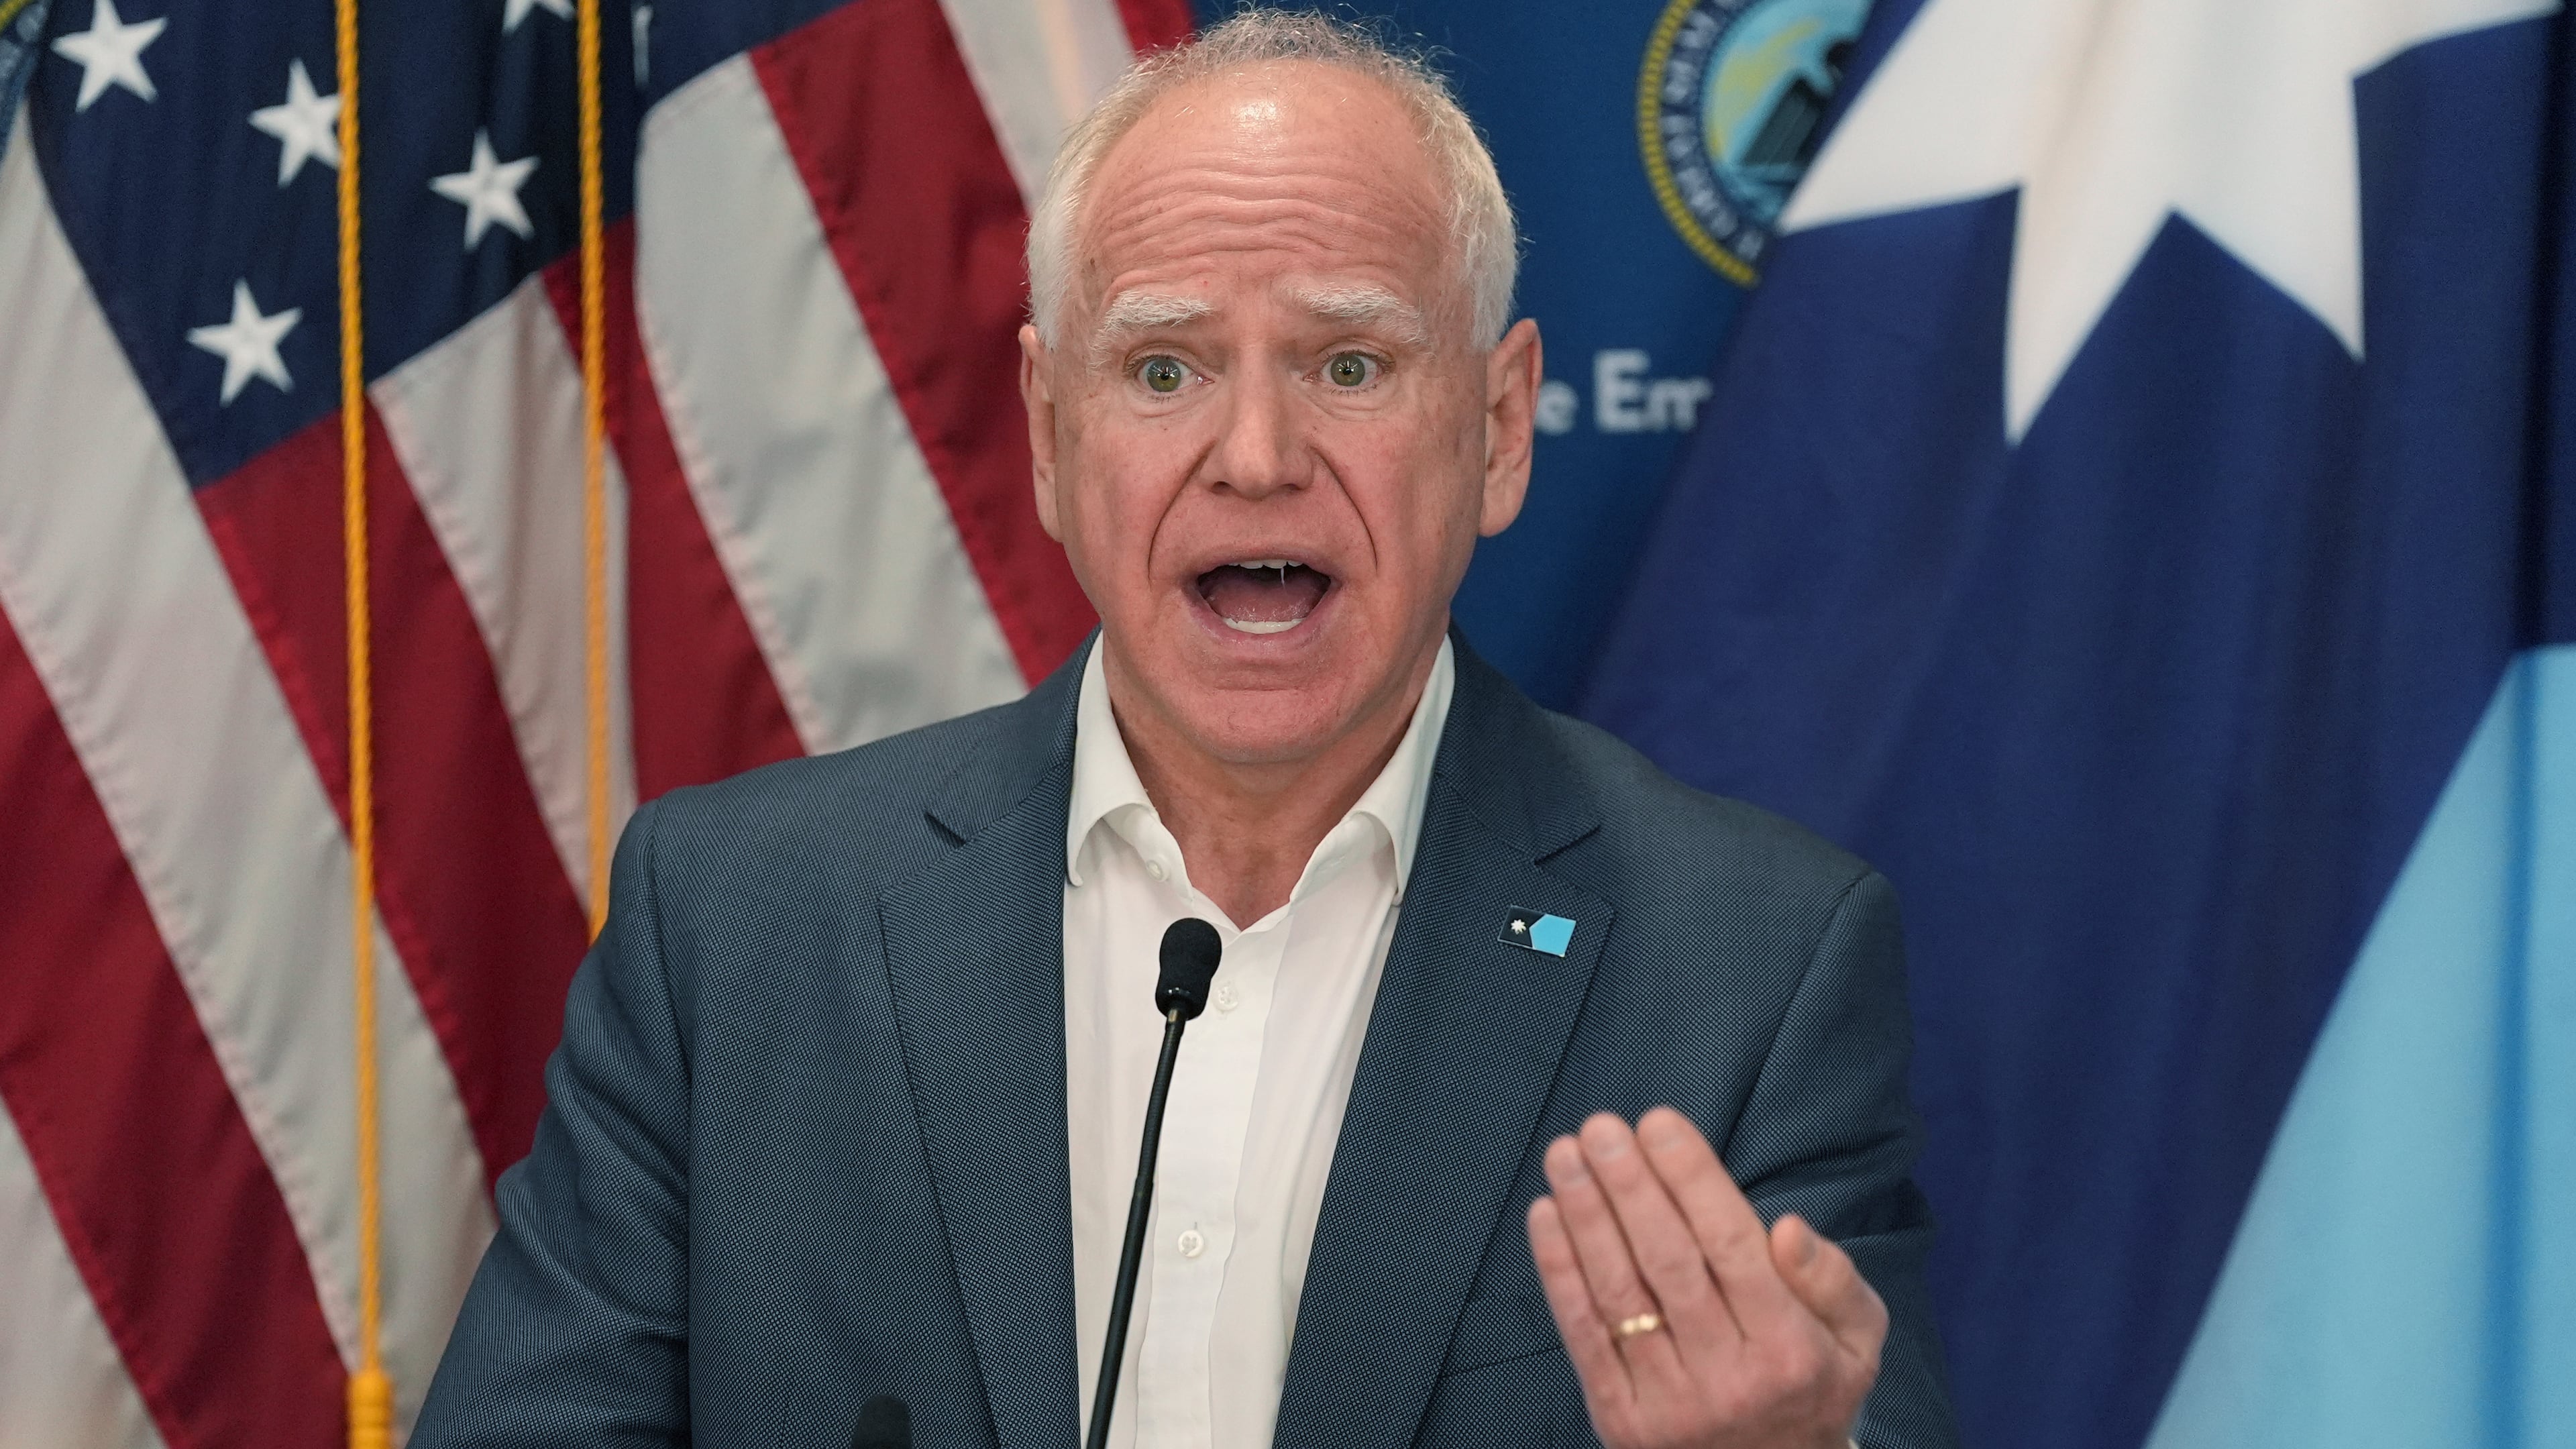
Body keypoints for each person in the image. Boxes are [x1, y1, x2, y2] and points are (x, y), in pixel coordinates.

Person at [413, 13, 1957, 1448]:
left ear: (1496, 431)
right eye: (1165, 369)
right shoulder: (737, 927)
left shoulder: (1751, 970)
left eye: (1350, 364)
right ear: (1047, 433)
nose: (1258, 456)